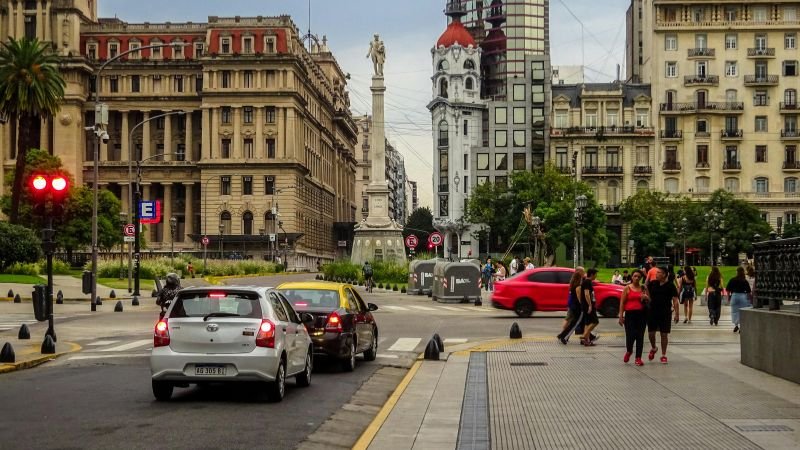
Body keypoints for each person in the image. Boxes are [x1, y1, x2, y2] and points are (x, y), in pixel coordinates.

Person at [646, 266, 679, 364]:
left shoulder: (670, 286)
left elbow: (675, 300)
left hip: (665, 312)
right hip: (652, 311)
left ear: (664, 274)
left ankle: (663, 355)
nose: (656, 274)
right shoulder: (652, 284)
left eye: (659, 272)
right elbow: (647, 293)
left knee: (664, 334)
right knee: (651, 333)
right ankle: (654, 348)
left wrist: (677, 314)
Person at [619, 269, 648, 366]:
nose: (637, 278)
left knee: (640, 336)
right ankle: (629, 350)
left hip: (641, 314)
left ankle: (638, 358)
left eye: (639, 277)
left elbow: (650, 300)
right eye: (635, 276)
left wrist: (646, 298)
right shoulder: (627, 288)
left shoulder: (643, 288)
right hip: (630, 314)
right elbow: (622, 303)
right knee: (630, 335)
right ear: (632, 277)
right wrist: (621, 316)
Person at [557, 267, 586, 344]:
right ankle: (564, 336)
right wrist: (583, 306)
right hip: (577, 307)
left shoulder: (573, 284)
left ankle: (588, 337)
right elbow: (579, 299)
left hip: (574, 306)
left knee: (580, 322)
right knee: (575, 323)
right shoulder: (578, 286)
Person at [578, 268, 600, 346]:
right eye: (595, 274)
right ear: (592, 274)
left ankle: (586, 341)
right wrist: (590, 305)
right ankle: (585, 335)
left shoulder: (587, 282)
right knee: (595, 321)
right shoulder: (587, 282)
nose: (596, 276)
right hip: (588, 305)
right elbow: (586, 294)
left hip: (586, 305)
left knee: (587, 323)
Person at [727, 266, 752, 333]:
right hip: (743, 296)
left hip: (734, 296)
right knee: (742, 312)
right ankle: (741, 326)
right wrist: (749, 299)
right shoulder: (744, 281)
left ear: (737, 272)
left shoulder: (732, 279)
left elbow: (728, 289)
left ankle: (736, 325)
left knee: (734, 311)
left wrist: (729, 297)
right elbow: (749, 292)